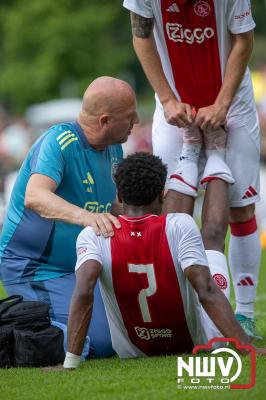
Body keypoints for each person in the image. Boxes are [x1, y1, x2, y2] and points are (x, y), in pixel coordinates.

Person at [123, 0, 261, 338]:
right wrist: (168, 99)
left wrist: (223, 103)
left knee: (241, 209)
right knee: (170, 213)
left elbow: (243, 39)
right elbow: (140, 34)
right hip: (173, 103)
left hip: (233, 103)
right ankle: (176, 310)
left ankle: (243, 313)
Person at [63, 152, 265, 369]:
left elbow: (84, 291)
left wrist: (71, 361)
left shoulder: (93, 234)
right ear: (162, 195)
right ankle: (214, 151)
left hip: (133, 351)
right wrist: (247, 348)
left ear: (120, 197)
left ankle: (193, 148)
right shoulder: (179, 225)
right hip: (196, 343)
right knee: (213, 238)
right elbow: (206, 290)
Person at [0, 76, 139, 357]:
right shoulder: (59, 142)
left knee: (118, 337)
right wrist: (86, 217)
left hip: (79, 266)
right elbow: (35, 196)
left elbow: (108, 206)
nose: (136, 120)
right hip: (34, 266)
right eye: (129, 116)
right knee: (90, 345)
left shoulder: (115, 148)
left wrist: (151, 218)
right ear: (104, 120)